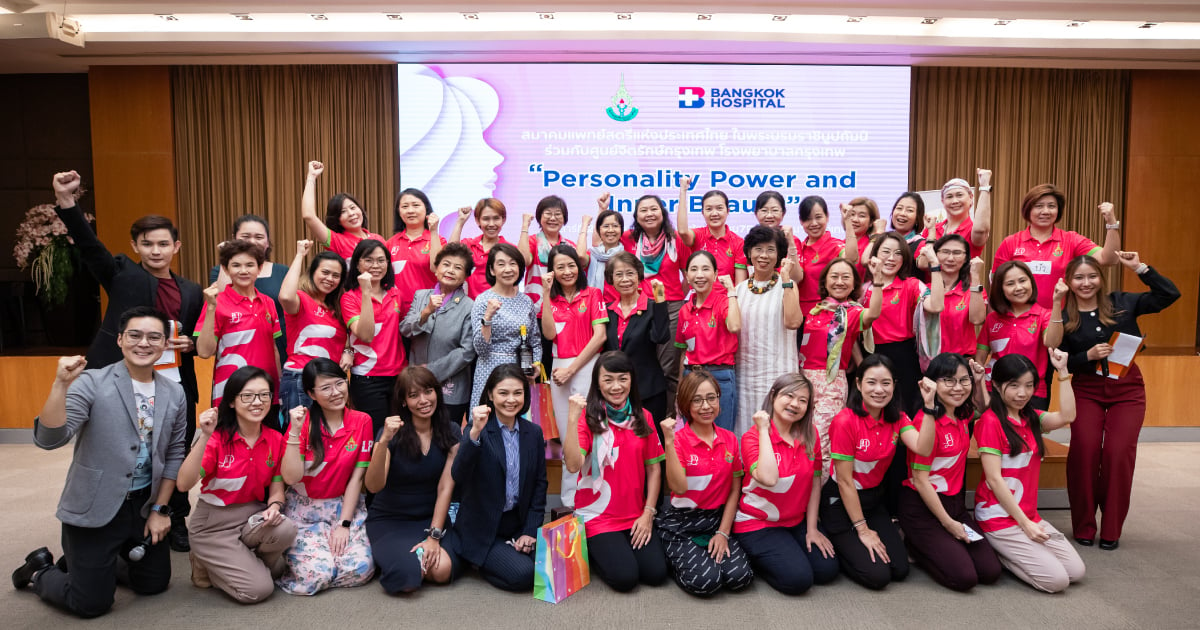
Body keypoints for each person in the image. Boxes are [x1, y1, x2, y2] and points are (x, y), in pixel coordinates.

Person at [48, 171, 202, 551]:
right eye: (147, 244)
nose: (155, 251)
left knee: (173, 449)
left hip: (176, 383)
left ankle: (173, 516)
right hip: (120, 379)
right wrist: (68, 203)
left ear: (176, 247)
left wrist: (192, 344)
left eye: (163, 244)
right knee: (120, 449)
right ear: (135, 246)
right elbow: (89, 246)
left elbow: (200, 337)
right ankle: (108, 520)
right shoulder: (121, 273)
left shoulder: (192, 290)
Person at [14, 307, 187, 618]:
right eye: (135, 335)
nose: (144, 343)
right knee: (91, 604)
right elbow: (50, 439)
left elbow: (175, 454)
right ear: (120, 340)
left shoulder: (174, 392)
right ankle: (40, 571)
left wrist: (161, 509)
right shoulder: (92, 382)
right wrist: (60, 385)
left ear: (165, 344)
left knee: (154, 583)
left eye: (153, 337)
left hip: (144, 504)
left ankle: (89, 564)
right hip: (95, 505)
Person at [1059, 252, 1179, 549]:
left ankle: (1111, 528)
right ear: (1069, 282)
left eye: (1092, 276)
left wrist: (1140, 267)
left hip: (1127, 389)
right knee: (1084, 453)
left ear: (1101, 278)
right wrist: (1085, 356)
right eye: (1079, 278)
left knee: (1117, 454)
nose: (1086, 283)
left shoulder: (1122, 302)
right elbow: (1059, 361)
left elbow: (1169, 294)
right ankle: (1084, 525)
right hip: (1086, 389)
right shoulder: (1063, 317)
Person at [178, 366, 298, 604]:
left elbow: (277, 485)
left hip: (251, 516)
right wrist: (204, 436)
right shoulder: (217, 438)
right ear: (232, 402)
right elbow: (184, 483)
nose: (257, 402)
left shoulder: (274, 438)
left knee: (285, 529)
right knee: (258, 590)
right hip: (213, 524)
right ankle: (206, 563)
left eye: (264, 395)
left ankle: (238, 564)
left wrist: (275, 505)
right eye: (247, 395)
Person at [820, 354, 936, 590]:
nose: (879, 390)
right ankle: (839, 539)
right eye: (871, 382)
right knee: (878, 576)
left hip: (872, 501)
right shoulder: (845, 421)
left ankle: (856, 543)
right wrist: (863, 530)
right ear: (859, 383)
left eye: (886, 383)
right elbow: (844, 482)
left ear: (894, 385)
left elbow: (923, 447)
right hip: (841, 502)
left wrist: (930, 407)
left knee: (900, 569)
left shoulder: (898, 418)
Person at [974, 352, 1084, 593]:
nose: (1022, 393)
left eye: (1028, 386)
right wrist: (1025, 524)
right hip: (998, 518)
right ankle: (1000, 555)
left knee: (1076, 572)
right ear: (996, 385)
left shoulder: (1032, 417)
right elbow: (993, 479)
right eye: (1013, 386)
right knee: (1057, 581)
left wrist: (1063, 371)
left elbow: (1068, 416)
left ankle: (1018, 549)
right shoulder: (990, 422)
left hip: (1028, 515)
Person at [896, 353, 1003, 592]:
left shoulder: (962, 414)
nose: (958, 387)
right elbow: (921, 481)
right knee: (965, 578)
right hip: (922, 507)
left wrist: (977, 382)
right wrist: (948, 524)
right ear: (933, 382)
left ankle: (939, 545)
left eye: (963, 380)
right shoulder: (926, 421)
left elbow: (986, 409)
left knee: (990, 571)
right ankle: (915, 545)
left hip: (954, 504)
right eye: (949, 381)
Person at [565, 352, 668, 593]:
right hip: (598, 515)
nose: (616, 386)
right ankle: (593, 546)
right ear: (597, 382)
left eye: (622, 379)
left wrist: (648, 514)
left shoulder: (644, 417)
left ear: (631, 380)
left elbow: (654, 470)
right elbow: (573, 465)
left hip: (635, 514)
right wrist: (572, 420)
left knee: (656, 574)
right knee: (626, 578)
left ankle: (615, 547)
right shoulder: (587, 418)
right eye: (608, 379)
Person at [733, 373, 839, 595]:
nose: (795, 404)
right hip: (758, 524)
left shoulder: (810, 436)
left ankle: (787, 551)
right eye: (789, 396)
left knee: (827, 570)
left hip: (795, 521)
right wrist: (764, 429)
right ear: (773, 396)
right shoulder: (752, 438)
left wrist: (811, 528)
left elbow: (814, 482)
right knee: (799, 580)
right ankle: (755, 558)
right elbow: (769, 478)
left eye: (803, 400)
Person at [277, 359, 374, 595]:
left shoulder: (362, 421)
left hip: (343, 506)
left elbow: (356, 479)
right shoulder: (302, 424)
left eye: (340, 383)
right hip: (305, 511)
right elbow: (290, 478)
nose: (335, 392)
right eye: (325, 388)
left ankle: (322, 558)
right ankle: (308, 563)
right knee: (317, 575)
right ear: (311, 393)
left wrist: (345, 524)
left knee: (360, 570)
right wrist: (295, 430)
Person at [366, 367, 463, 593]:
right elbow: (373, 486)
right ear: (403, 402)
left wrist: (434, 536)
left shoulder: (451, 431)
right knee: (407, 578)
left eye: (428, 391)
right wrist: (384, 441)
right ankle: (400, 556)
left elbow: (445, 487)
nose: (423, 400)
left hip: (430, 518)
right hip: (391, 520)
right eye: (413, 395)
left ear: (437, 393)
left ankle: (413, 554)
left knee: (442, 571)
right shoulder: (390, 432)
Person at [657, 371, 754, 597]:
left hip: (715, 521)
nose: (706, 406)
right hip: (681, 523)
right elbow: (679, 488)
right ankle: (672, 553)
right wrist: (669, 442)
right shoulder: (679, 441)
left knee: (740, 577)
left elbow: (734, 490)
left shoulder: (730, 439)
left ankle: (703, 551)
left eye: (712, 398)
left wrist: (723, 532)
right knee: (706, 582)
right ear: (685, 405)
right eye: (697, 400)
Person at [453, 364, 549, 592]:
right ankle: (478, 559)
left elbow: (539, 485)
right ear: (490, 394)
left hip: (517, 523)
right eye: (503, 393)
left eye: (517, 393)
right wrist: (474, 432)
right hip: (484, 529)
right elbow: (458, 475)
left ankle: (504, 553)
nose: (511, 400)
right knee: (524, 575)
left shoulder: (533, 432)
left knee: (552, 561)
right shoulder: (478, 430)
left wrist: (529, 530)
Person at [799, 259, 881, 475]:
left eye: (846, 277)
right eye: (834, 276)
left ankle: (825, 496)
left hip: (831, 383)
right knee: (803, 439)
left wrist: (878, 282)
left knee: (822, 442)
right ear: (825, 281)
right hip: (803, 382)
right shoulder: (814, 311)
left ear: (855, 284)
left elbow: (872, 315)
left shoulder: (852, 312)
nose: (839, 281)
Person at [542, 244, 608, 507]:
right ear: (552, 271)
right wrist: (546, 295)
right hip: (559, 368)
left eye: (571, 265)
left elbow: (600, 337)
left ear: (580, 268)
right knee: (566, 432)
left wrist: (572, 369)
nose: (567, 271)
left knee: (589, 431)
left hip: (587, 366)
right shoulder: (550, 299)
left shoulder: (592, 294)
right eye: (560, 267)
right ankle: (569, 499)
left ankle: (592, 493)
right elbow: (549, 335)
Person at [992, 184, 1121, 311]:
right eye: (1039, 206)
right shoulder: (1010, 243)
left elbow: (1109, 259)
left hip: (1060, 319)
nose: (1046, 211)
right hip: (1019, 322)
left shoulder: (1071, 240)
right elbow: (996, 285)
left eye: (1051, 206)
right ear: (1028, 209)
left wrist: (1111, 223)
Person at [196, 240, 282, 415]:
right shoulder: (216, 303)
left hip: (266, 392)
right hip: (230, 392)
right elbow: (204, 352)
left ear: (259, 269)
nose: (243, 271)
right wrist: (211, 308)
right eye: (236, 265)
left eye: (250, 265)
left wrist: (279, 386)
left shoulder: (268, 303)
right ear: (226, 270)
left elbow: (273, 349)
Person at [863, 233, 944, 417]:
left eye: (898, 253)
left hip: (904, 357)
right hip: (872, 355)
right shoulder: (865, 290)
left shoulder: (912, 285)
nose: (891, 258)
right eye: (886, 252)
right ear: (875, 255)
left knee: (905, 412)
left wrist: (935, 266)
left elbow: (937, 305)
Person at [623, 193, 691, 407]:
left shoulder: (677, 240)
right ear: (636, 216)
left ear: (663, 212)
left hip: (671, 309)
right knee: (639, 362)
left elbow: (689, 273)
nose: (649, 214)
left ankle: (666, 420)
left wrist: (674, 296)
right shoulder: (628, 239)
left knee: (669, 367)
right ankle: (638, 416)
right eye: (643, 210)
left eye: (654, 209)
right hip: (639, 307)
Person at [733, 226, 802, 436]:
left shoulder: (787, 284)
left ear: (779, 254)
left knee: (778, 433)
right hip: (745, 377)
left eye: (771, 250)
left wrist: (787, 278)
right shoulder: (738, 290)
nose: (763, 255)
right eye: (758, 249)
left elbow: (793, 322)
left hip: (778, 374)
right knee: (746, 433)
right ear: (749, 253)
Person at [400, 243, 477, 424]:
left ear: (465, 276)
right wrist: (426, 311)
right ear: (436, 269)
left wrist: (429, 371)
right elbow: (404, 329)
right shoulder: (421, 296)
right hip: (416, 387)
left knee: (448, 439)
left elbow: (466, 352)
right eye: (446, 264)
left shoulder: (469, 306)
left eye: (458, 268)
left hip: (451, 389)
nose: (450, 270)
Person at [976, 261, 1064, 410]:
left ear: (1031, 282)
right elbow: (979, 359)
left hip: (1032, 393)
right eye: (1010, 284)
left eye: (1023, 281)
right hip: (996, 391)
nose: (1018, 287)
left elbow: (1052, 343)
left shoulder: (1044, 315)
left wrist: (1056, 303)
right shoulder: (992, 319)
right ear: (1000, 289)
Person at [278, 240, 350, 415]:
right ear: (312, 273)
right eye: (325, 272)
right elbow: (286, 297)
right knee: (302, 438)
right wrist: (300, 255)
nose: (329, 279)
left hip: (331, 382)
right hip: (301, 378)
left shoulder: (337, 307)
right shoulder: (301, 299)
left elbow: (344, 339)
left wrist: (349, 351)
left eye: (336, 275)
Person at [341, 239, 406, 433]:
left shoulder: (395, 293)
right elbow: (365, 335)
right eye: (368, 260)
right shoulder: (349, 297)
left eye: (381, 260)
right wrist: (367, 292)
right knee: (377, 435)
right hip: (368, 378)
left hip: (399, 375)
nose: (376, 266)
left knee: (401, 434)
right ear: (357, 264)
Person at [208, 214, 289, 362]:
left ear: (267, 242)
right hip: (237, 348)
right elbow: (221, 299)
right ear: (234, 238)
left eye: (258, 237)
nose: (252, 242)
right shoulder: (220, 271)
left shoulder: (282, 271)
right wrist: (225, 254)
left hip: (278, 344)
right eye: (246, 236)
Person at [675, 251, 741, 432]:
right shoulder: (684, 311)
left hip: (719, 376)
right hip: (691, 376)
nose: (700, 275)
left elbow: (735, 326)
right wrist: (681, 387)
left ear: (715, 274)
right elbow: (684, 352)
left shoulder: (723, 302)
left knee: (722, 436)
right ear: (687, 276)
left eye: (706, 269)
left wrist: (732, 292)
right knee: (692, 437)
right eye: (694, 270)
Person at [470, 242, 541, 408]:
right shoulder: (482, 300)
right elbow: (480, 349)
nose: (508, 269)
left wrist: (536, 365)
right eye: (501, 264)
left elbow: (535, 341)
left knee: (516, 420)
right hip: (489, 369)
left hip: (519, 370)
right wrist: (488, 317)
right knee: (487, 421)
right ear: (492, 270)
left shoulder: (526, 301)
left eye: (513, 263)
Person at [604, 253, 671, 429]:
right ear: (611, 279)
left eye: (630, 273)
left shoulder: (652, 306)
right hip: (615, 393)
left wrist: (660, 300)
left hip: (649, 390)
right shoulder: (606, 311)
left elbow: (661, 337)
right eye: (619, 274)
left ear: (639, 276)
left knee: (652, 445)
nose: (625, 279)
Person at [300, 160, 385, 262]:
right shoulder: (337, 241)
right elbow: (308, 216)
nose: (351, 214)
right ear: (337, 220)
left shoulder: (379, 239)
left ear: (361, 210)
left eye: (353, 208)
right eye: (343, 212)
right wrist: (311, 177)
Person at [518, 195, 588, 310]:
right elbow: (523, 260)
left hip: (563, 309)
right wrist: (525, 225)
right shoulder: (532, 241)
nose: (553, 218)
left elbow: (582, 260)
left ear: (564, 218)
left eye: (558, 214)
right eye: (548, 213)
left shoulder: (569, 245)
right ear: (539, 217)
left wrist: (585, 225)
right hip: (536, 308)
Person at [676, 178, 748, 285]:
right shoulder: (697, 236)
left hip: (727, 300)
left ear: (728, 211)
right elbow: (682, 231)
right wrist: (683, 190)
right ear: (702, 212)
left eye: (719, 208)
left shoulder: (738, 243)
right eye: (709, 209)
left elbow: (740, 285)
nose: (714, 213)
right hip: (700, 299)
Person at [387, 188, 445, 317]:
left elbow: (437, 268)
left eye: (416, 205)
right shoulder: (390, 243)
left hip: (429, 310)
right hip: (397, 311)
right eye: (405, 206)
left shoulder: (438, 240)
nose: (410, 210)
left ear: (426, 209)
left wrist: (434, 231)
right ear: (399, 212)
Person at [930, 235, 987, 357]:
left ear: (966, 258)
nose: (950, 258)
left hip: (962, 361)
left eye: (957, 253)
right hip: (930, 361)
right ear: (935, 255)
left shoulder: (973, 289)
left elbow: (977, 320)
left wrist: (975, 276)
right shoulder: (924, 289)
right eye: (945, 252)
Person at [922, 170, 993, 260]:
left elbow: (981, 230)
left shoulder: (972, 230)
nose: (955, 201)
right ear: (942, 201)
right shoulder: (932, 229)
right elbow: (923, 262)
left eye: (959, 195)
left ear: (971, 198)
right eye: (949, 196)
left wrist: (984, 187)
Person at [449, 197, 511, 299]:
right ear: (478, 221)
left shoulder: (509, 250)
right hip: (469, 308)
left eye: (496, 218)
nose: (491, 224)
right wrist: (460, 221)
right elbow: (451, 254)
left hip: (498, 308)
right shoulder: (468, 245)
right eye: (486, 219)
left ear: (503, 220)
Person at [795, 195, 845, 315]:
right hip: (799, 315)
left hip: (826, 314)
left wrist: (847, 221)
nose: (814, 223)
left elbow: (852, 260)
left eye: (818, 217)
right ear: (801, 221)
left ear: (827, 217)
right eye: (808, 219)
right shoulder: (797, 248)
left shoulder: (836, 246)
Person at [588, 200, 628, 304]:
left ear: (621, 229)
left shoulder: (627, 257)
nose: (610, 230)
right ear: (599, 230)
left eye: (615, 226)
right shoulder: (591, 255)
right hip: (593, 308)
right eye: (606, 226)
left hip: (619, 308)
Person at [838, 196, 884, 280]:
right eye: (852, 214)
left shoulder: (872, 246)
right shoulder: (838, 244)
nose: (855, 219)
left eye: (862, 216)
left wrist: (878, 234)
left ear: (871, 222)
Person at [888, 192, 929, 258]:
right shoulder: (885, 239)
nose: (902, 213)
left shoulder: (921, 245)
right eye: (899, 208)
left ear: (917, 218)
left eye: (910, 210)